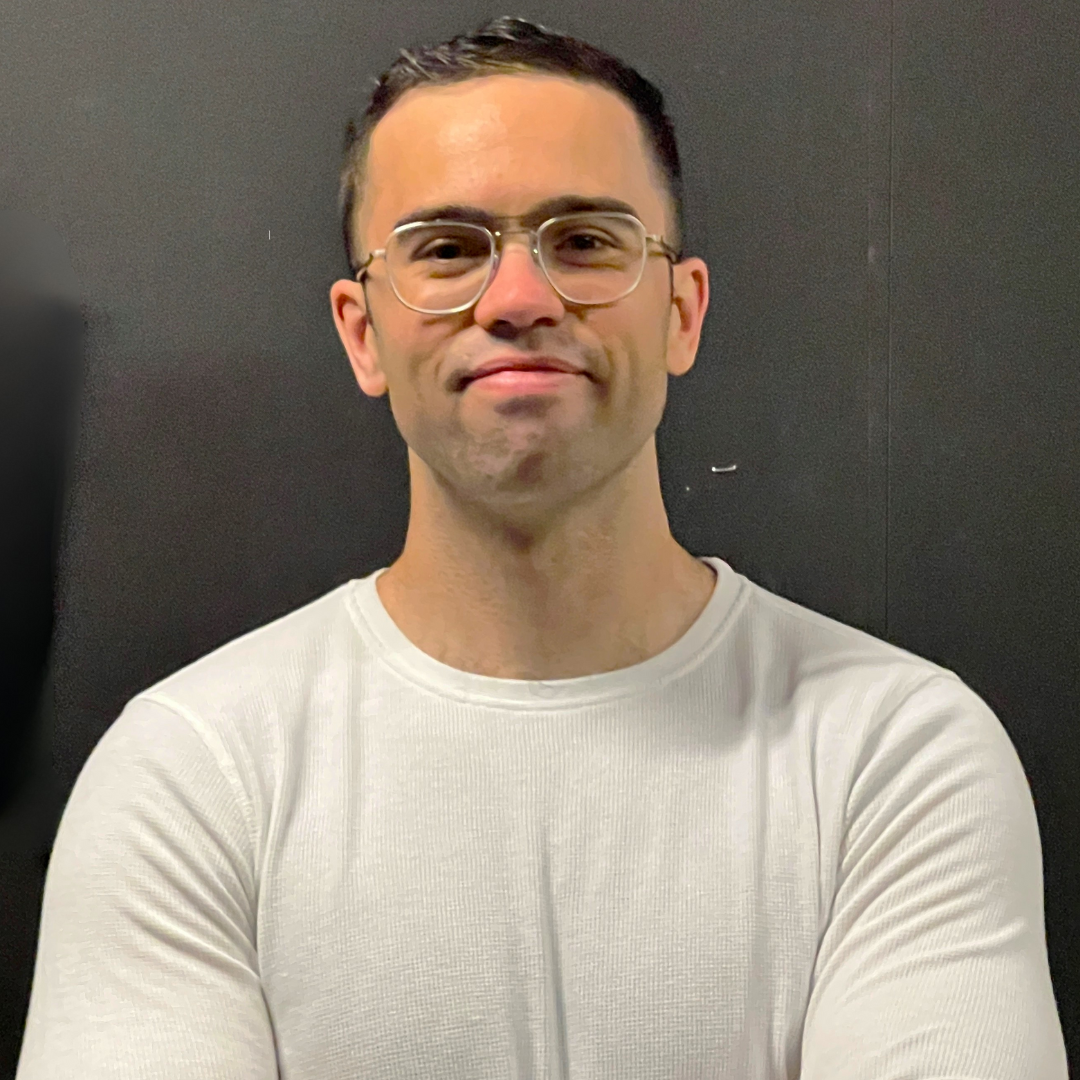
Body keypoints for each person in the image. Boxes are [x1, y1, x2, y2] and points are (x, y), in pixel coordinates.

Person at [16, 16, 1067, 1080]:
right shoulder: (196, 773)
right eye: (445, 251)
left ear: (682, 312)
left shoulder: (892, 758)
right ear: (363, 332)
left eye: (587, 242)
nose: (518, 301)